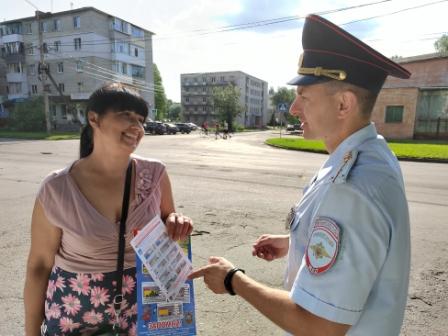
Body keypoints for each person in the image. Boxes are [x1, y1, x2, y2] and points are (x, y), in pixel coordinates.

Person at [189, 14, 411, 336]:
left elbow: (319, 325)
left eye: (304, 96)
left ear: (343, 104)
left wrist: (232, 279)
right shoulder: (370, 153)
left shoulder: (351, 188)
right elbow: (361, 244)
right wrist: (296, 243)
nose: (293, 108)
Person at [24, 82, 193, 335]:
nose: (136, 127)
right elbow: (39, 265)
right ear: (94, 118)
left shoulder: (155, 174)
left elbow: (167, 218)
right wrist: (31, 331)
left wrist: (176, 220)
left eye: (140, 119)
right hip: (75, 313)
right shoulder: (57, 188)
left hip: (143, 308)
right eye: (126, 115)